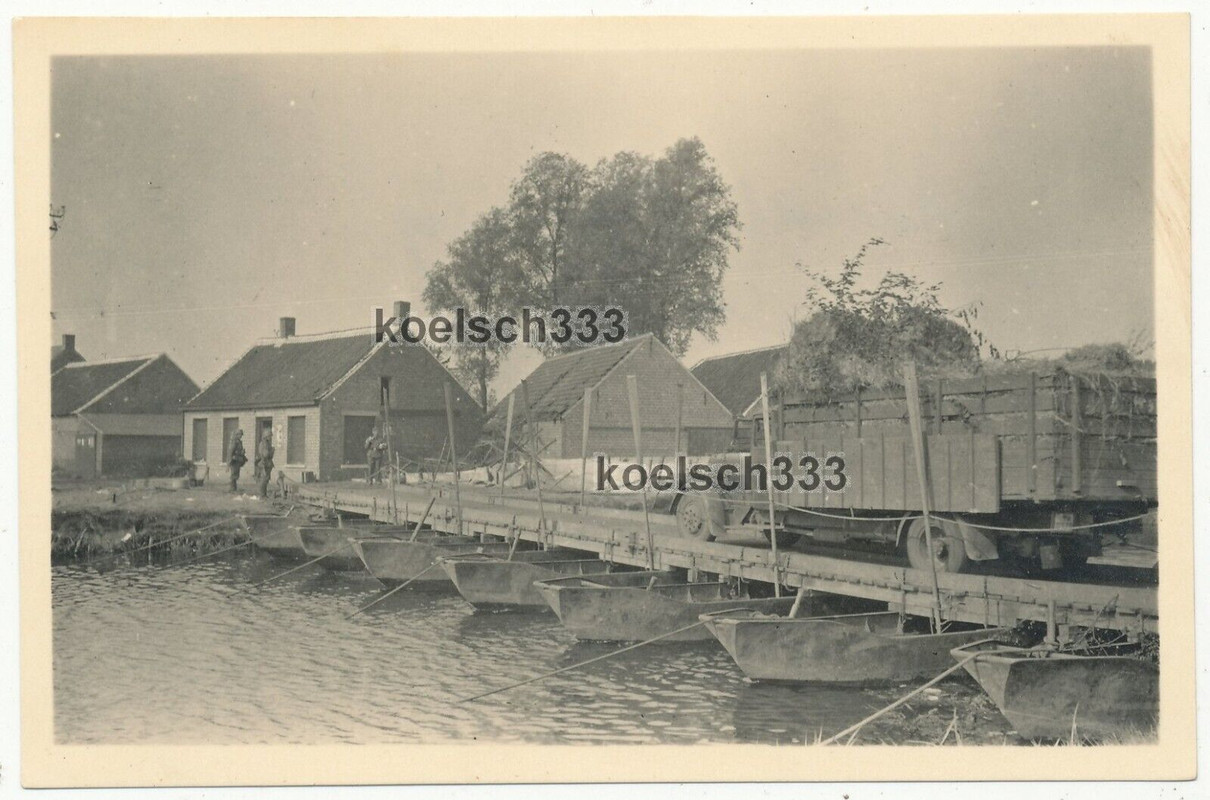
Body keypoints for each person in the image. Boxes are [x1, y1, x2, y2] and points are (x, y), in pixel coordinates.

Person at [255, 430, 275, 499]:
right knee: (264, 479)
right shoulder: (263, 444)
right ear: (266, 436)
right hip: (264, 463)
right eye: (269, 436)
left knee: (266, 479)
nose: (270, 437)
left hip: (267, 463)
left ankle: (264, 494)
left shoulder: (267, 443)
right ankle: (262, 495)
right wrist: (271, 451)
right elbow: (265, 454)